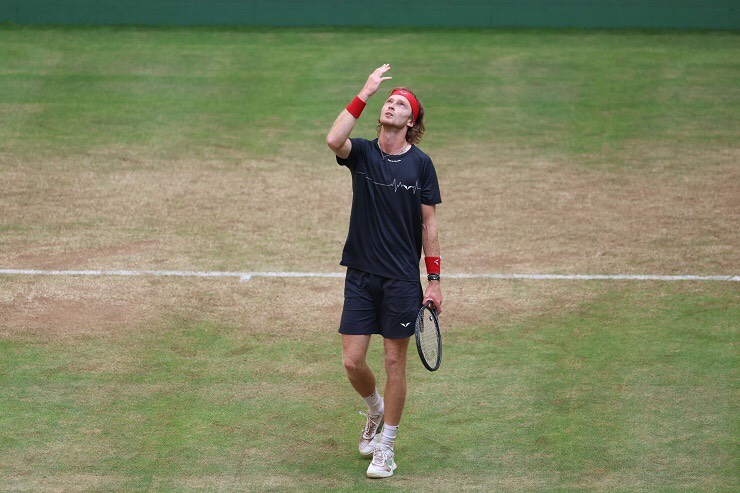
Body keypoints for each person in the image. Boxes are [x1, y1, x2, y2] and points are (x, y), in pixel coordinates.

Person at [325, 63, 443, 479]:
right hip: (360, 273)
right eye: (389, 102)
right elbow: (333, 139)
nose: (392, 106)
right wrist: (366, 91)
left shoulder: (421, 165)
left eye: (400, 104)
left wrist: (434, 281)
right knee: (352, 362)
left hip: (399, 280)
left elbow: (428, 224)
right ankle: (375, 410)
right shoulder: (363, 154)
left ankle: (386, 448)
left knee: (395, 361)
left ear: (411, 122)